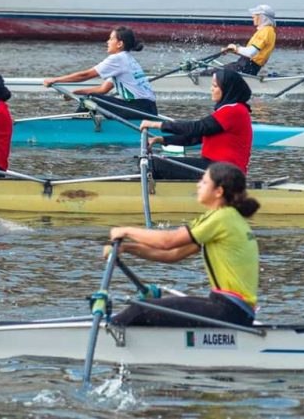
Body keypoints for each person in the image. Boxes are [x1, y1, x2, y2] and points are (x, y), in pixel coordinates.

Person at [105, 162, 260, 327]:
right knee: (151, 307)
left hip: (229, 309)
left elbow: (168, 242)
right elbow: (173, 255)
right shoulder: (229, 218)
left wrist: (126, 231)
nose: (198, 185)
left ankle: (108, 337)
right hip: (235, 309)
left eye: (204, 182)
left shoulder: (221, 218)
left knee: (140, 309)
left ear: (218, 191)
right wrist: (127, 248)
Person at [139, 68, 252, 179]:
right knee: (152, 163)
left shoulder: (233, 110)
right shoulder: (231, 109)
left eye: (215, 86)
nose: (211, 89)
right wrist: (161, 140)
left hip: (225, 172)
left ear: (228, 89)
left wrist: (157, 124)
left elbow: (196, 128)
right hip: (217, 167)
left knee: (154, 164)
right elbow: (195, 138)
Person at [42, 26, 158, 120]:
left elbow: (85, 75)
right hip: (149, 109)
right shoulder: (128, 59)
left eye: (111, 39)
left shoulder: (117, 59)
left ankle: (77, 127)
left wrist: (55, 80)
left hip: (139, 108)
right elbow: (103, 89)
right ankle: (81, 123)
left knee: (92, 99)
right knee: (92, 97)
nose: (107, 42)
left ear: (119, 44)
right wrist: (76, 92)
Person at [220, 5, 276, 76]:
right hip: (246, 66)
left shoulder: (266, 31)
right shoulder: (267, 31)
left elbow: (250, 53)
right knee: (218, 70)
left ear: (262, 17)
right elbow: (250, 53)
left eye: (255, 16)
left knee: (211, 73)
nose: (253, 17)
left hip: (246, 67)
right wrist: (231, 50)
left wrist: (236, 48)